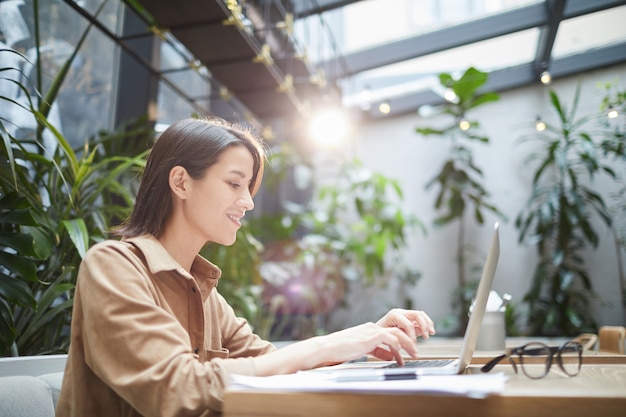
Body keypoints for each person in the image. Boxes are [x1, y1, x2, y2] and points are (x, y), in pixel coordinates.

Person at [56, 117, 436, 417]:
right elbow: (176, 390)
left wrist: (363, 338)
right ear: (181, 182)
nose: (248, 203)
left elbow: (272, 364)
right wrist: (334, 343)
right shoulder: (113, 266)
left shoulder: (203, 291)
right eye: (234, 184)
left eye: (248, 189)